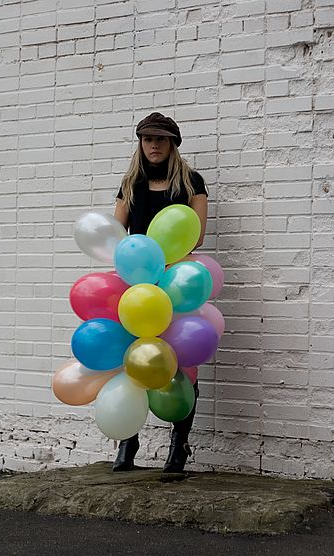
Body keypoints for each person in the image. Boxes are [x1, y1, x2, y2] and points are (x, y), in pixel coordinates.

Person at [113, 112, 208, 473]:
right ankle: (127, 441)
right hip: (137, 288)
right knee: (132, 360)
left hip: (179, 284)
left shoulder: (191, 183)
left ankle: (178, 446)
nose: (153, 145)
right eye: (147, 139)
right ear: (140, 143)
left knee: (183, 363)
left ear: (172, 144)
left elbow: (196, 234)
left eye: (161, 139)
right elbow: (116, 234)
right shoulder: (130, 184)